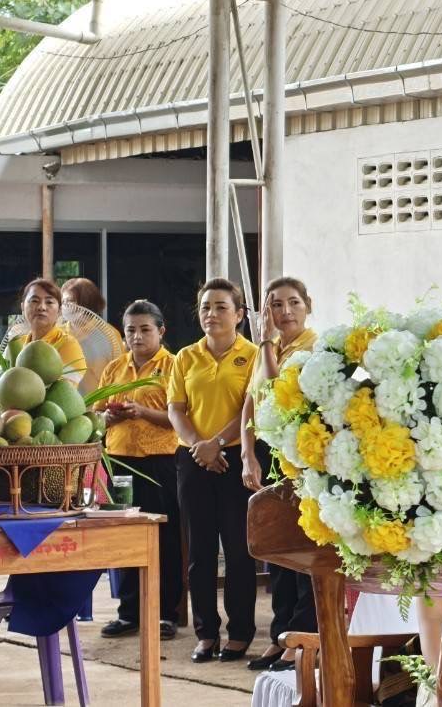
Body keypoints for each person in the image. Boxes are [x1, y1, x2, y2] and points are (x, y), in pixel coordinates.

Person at [168, 278, 257, 663]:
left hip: (237, 460)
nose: (212, 314)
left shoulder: (252, 355)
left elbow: (251, 408)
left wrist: (216, 444)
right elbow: (176, 408)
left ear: (239, 314)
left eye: (221, 307)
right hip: (193, 461)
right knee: (199, 551)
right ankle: (206, 634)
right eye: (206, 307)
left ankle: (240, 633)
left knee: (239, 551)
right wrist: (198, 447)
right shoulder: (185, 357)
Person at [240, 277, 319, 672]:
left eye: (292, 303)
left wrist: (267, 342)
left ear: (308, 306)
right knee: (276, 548)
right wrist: (246, 453)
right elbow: (251, 401)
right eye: (274, 305)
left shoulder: (313, 347)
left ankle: (303, 638)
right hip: (268, 451)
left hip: (301, 451)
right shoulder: (266, 349)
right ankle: (281, 633)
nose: (284, 312)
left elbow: (276, 387)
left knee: (301, 546)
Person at [94, 300, 183, 641]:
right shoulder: (114, 368)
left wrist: (143, 412)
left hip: (161, 462)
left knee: (163, 537)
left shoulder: (174, 366)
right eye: (130, 329)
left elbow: (180, 417)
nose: (137, 336)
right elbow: (96, 417)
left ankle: (165, 614)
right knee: (124, 537)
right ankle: (128, 612)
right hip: (119, 461)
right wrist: (109, 417)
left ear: (161, 331)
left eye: (145, 329)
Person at [5, 278, 87, 386]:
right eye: (34, 301)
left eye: (49, 302)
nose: (41, 307)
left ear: (59, 311)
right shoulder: (16, 344)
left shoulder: (68, 345)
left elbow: (62, 391)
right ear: (22, 307)